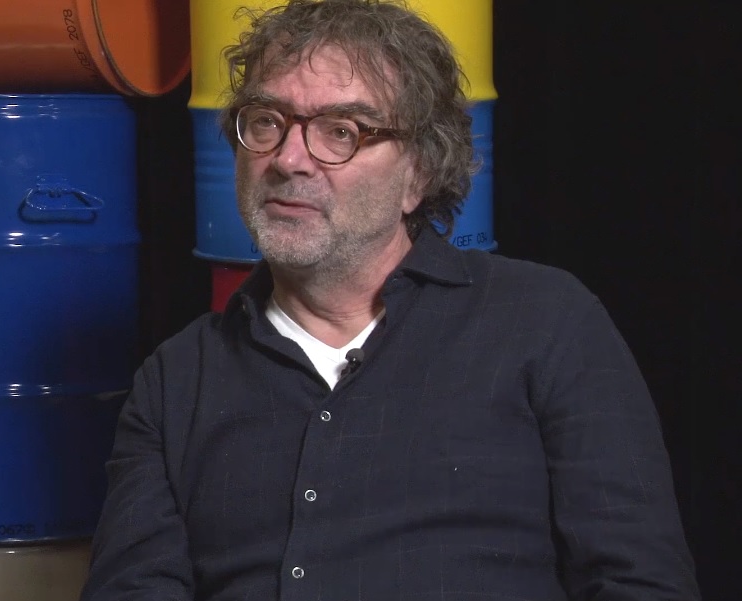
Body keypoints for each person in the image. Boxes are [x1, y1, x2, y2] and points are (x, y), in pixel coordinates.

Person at [80, 0, 700, 599]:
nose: (289, 159)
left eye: (341, 132)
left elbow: (640, 582)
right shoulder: (175, 381)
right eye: (266, 121)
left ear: (418, 175)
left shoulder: (545, 322)